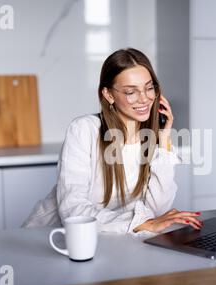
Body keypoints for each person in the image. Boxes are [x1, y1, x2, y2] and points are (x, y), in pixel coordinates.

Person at [22, 48, 202, 236]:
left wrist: (164, 139)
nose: (144, 98)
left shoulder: (152, 137)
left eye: (149, 88)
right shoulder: (84, 130)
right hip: (52, 239)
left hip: (113, 240)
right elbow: (73, 211)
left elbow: (156, 211)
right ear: (109, 95)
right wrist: (139, 223)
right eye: (131, 92)